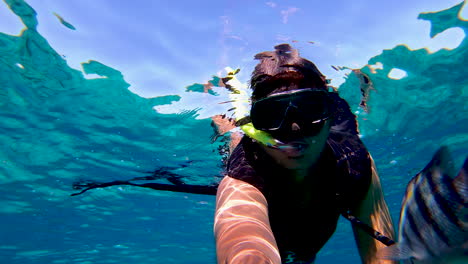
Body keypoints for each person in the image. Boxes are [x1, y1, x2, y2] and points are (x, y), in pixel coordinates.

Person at [214, 44, 396, 264]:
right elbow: (243, 243)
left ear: (331, 115)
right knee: (232, 137)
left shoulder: (354, 162)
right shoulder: (243, 176)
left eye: (311, 109)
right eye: (272, 116)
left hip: (309, 241)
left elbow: (383, 257)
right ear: (256, 124)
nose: (294, 130)